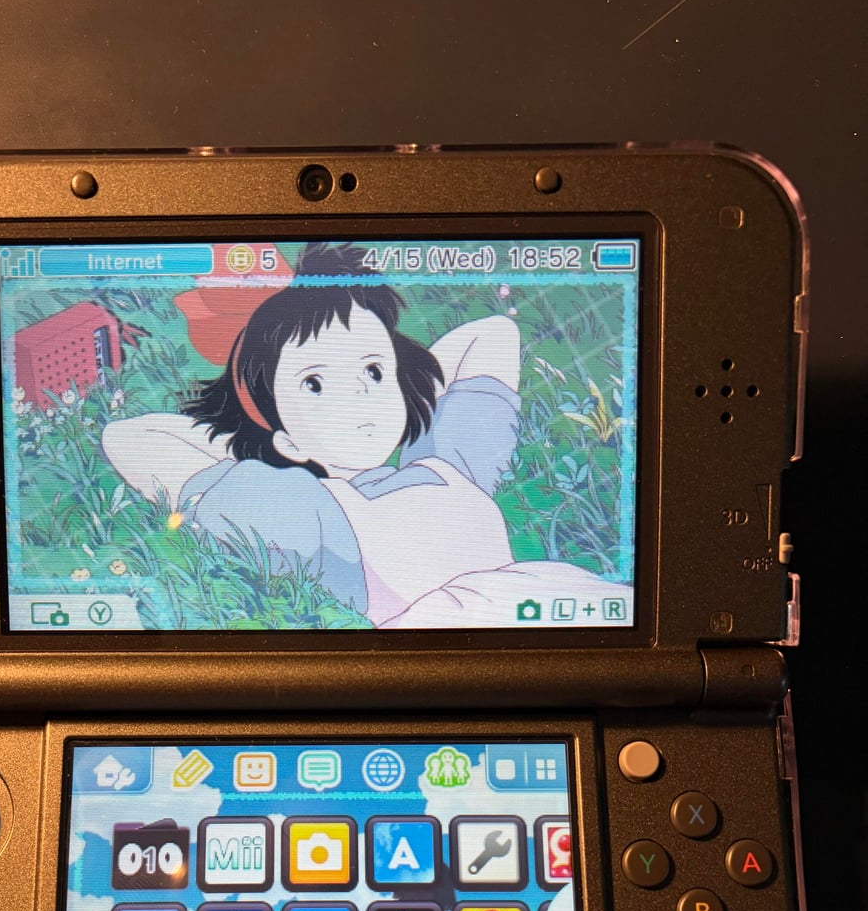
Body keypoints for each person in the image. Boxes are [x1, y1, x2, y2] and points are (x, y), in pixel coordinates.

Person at [102, 241, 628, 627]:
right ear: (285, 438)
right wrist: (260, 444)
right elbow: (130, 439)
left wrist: (404, 385)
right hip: (444, 632)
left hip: (546, 607)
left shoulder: (447, 463)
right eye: (314, 383)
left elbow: (491, 336)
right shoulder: (307, 508)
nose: (357, 392)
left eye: (373, 370)